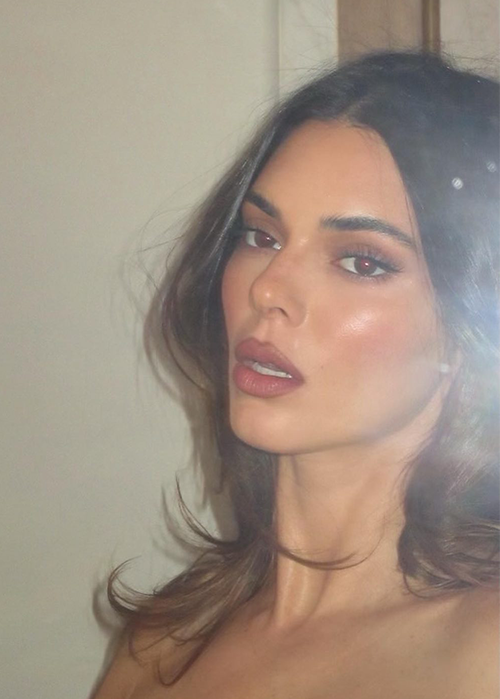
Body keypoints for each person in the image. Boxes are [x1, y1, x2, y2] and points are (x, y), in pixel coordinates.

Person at [93, 51, 499, 698]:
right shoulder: (160, 644)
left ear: (471, 327)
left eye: (362, 262)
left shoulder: (482, 655)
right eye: (261, 236)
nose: (268, 288)